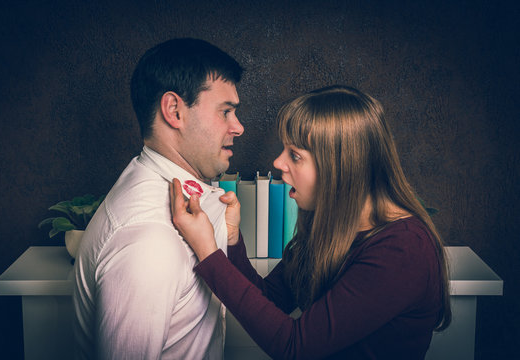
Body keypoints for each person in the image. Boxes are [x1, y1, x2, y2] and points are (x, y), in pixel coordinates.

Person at [170, 85, 452, 359]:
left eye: (295, 155)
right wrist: (231, 239)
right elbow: (269, 298)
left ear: (340, 169)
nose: (278, 163)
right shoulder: (330, 227)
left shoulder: (403, 250)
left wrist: (209, 253)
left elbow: (295, 347)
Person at [72, 38, 244, 359]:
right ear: (174, 111)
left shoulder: (162, 185)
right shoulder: (148, 241)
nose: (239, 127)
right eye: (226, 111)